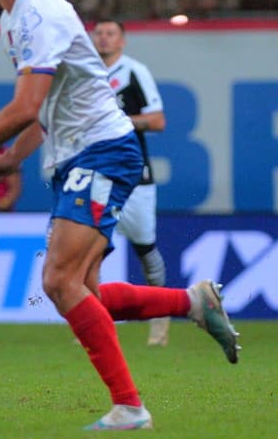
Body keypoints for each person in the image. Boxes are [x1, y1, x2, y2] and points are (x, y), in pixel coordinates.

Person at [0, 0, 239, 430]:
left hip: (103, 153)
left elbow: (26, 105)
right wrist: (14, 157)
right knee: (85, 291)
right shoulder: (13, 20)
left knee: (58, 280)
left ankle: (130, 407)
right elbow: (47, 111)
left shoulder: (39, 14)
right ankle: (193, 301)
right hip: (76, 159)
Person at [92, 19, 170, 347]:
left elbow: (157, 120)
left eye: (111, 33)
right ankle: (92, 320)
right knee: (90, 247)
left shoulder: (134, 71)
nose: (104, 38)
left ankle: (161, 320)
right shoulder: (86, 73)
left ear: (122, 40)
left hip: (135, 175)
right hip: (96, 173)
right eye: (99, 33)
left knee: (144, 247)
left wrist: (120, 121)